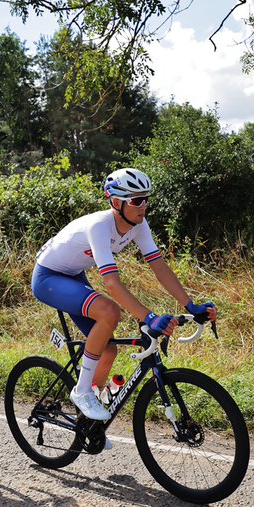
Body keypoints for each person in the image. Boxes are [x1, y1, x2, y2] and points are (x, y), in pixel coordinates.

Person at [31, 167, 215, 424]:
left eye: (146, 199)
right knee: (109, 311)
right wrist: (148, 317)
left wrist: (190, 304)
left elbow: (159, 268)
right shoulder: (100, 226)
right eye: (137, 200)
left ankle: (87, 422)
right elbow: (112, 284)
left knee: (107, 351)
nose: (144, 206)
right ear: (116, 202)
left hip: (74, 276)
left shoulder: (138, 225)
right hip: (49, 277)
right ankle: (81, 392)